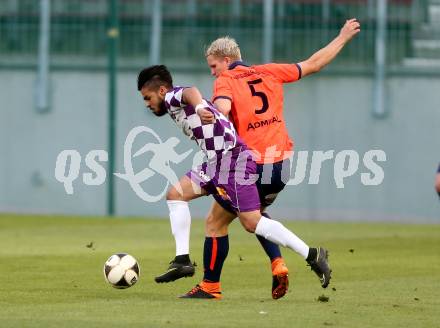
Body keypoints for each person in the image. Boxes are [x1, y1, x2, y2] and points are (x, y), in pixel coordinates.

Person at [158, 18, 360, 299]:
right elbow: (313, 63)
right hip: (281, 166)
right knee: (238, 216)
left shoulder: (227, 80)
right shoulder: (270, 71)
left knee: (231, 220)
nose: (214, 74)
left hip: (246, 164)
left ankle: (215, 284)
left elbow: (223, 108)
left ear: (226, 60)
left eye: (214, 67)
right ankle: (275, 265)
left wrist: (208, 112)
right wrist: (343, 37)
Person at [138, 65, 331, 299]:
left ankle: (312, 254)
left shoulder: (170, 97)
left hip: (232, 161)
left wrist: (199, 106)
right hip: (215, 162)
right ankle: (183, 261)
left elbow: (191, 91)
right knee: (176, 194)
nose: (147, 104)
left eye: (147, 97)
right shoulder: (173, 102)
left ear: (160, 90)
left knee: (251, 221)